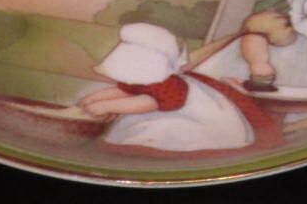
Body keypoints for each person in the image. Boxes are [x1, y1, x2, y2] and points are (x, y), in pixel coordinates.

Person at [78, 22, 280, 157]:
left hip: (191, 117)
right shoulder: (140, 78)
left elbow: (149, 103)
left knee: (166, 132)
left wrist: (106, 106)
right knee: (135, 129)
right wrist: (93, 99)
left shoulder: (168, 84)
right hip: (155, 109)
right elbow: (127, 91)